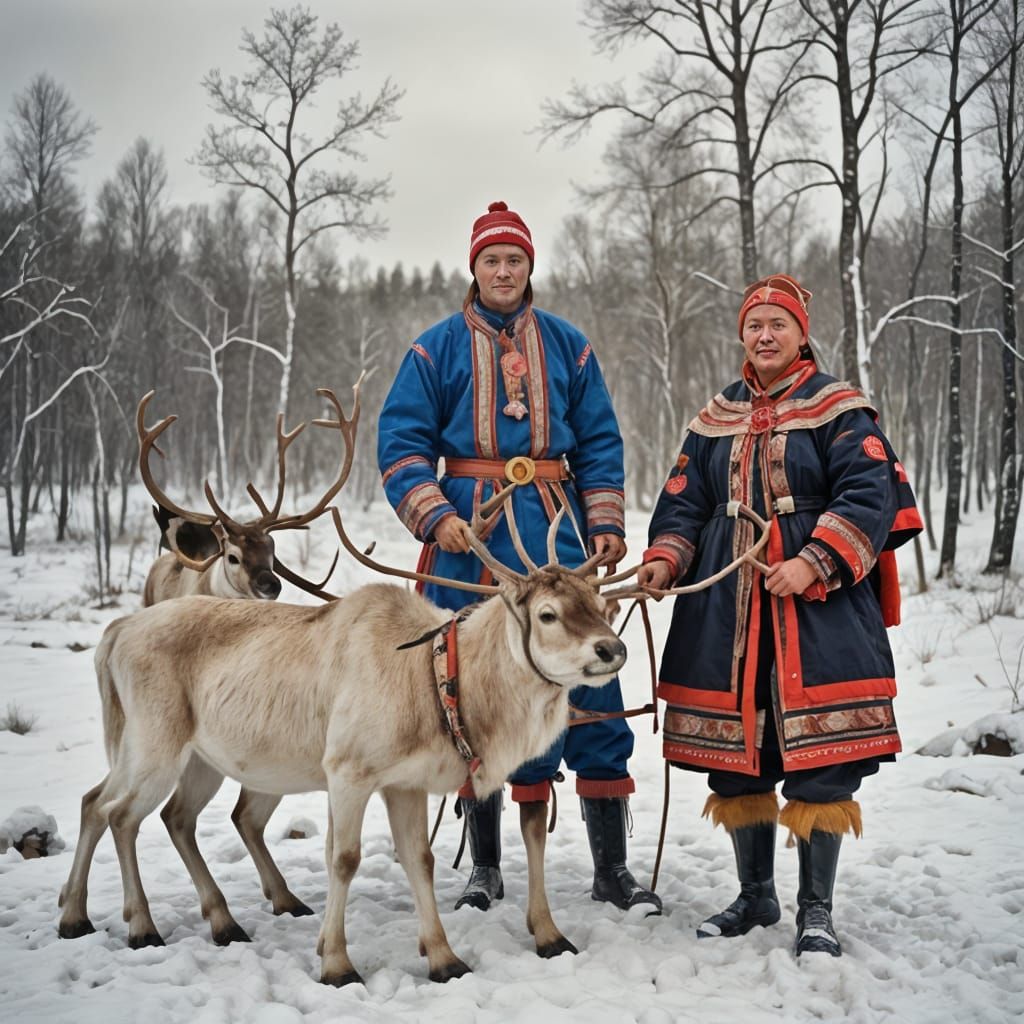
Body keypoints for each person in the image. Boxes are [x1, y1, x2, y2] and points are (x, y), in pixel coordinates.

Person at [377, 200, 660, 915]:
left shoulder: (570, 346)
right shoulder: (433, 349)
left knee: (591, 683)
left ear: (530, 267)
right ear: (473, 268)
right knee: (475, 702)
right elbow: (401, 446)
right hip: (471, 548)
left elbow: (598, 440)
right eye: (491, 260)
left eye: (515, 260)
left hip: (561, 543)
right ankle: (486, 868)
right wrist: (434, 515)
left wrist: (605, 523)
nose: (503, 271)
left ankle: (611, 869)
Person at [637, 274, 922, 956]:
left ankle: (815, 909)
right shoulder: (715, 415)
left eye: (778, 325)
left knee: (820, 761)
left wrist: (814, 560)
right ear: (743, 333)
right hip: (725, 608)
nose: (764, 336)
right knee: (741, 753)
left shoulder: (838, 408)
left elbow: (867, 492)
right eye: (754, 325)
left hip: (817, 611)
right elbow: (685, 500)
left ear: (801, 334)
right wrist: (667, 559)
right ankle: (755, 894)